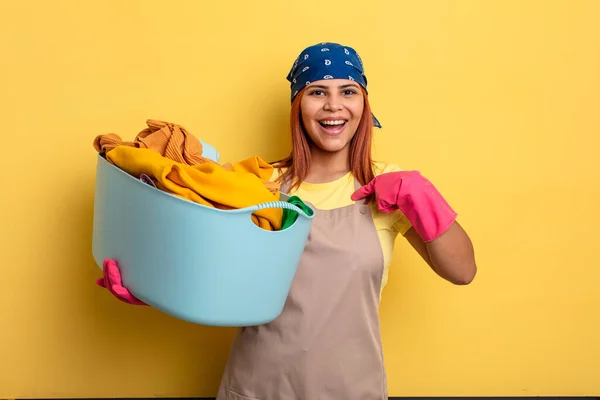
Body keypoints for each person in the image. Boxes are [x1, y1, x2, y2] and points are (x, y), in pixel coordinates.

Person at [215, 42, 477, 400]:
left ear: (363, 104)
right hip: (259, 387)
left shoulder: (391, 188)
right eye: (317, 91)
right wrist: (149, 285)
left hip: (352, 389)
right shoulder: (259, 183)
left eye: (348, 91)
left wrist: (422, 196)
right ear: (298, 106)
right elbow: (219, 279)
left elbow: (462, 271)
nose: (333, 105)